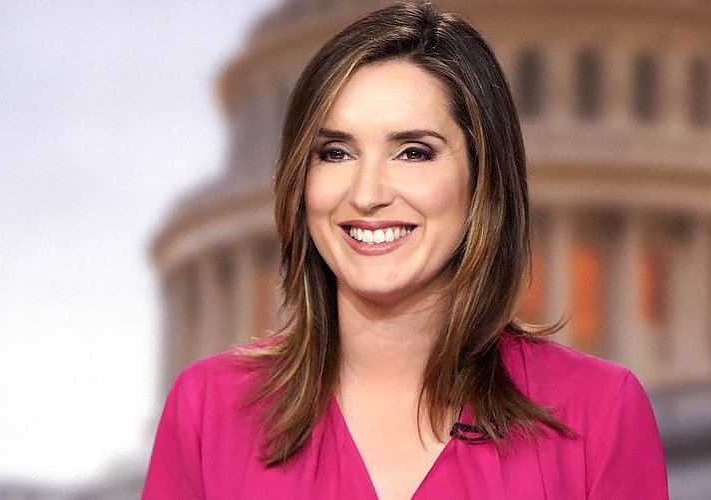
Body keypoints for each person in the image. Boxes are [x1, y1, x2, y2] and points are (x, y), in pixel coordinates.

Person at [142, 2, 668, 499]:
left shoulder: (597, 414)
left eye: (413, 152)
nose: (367, 193)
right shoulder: (208, 411)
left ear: (482, 178)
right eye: (336, 152)